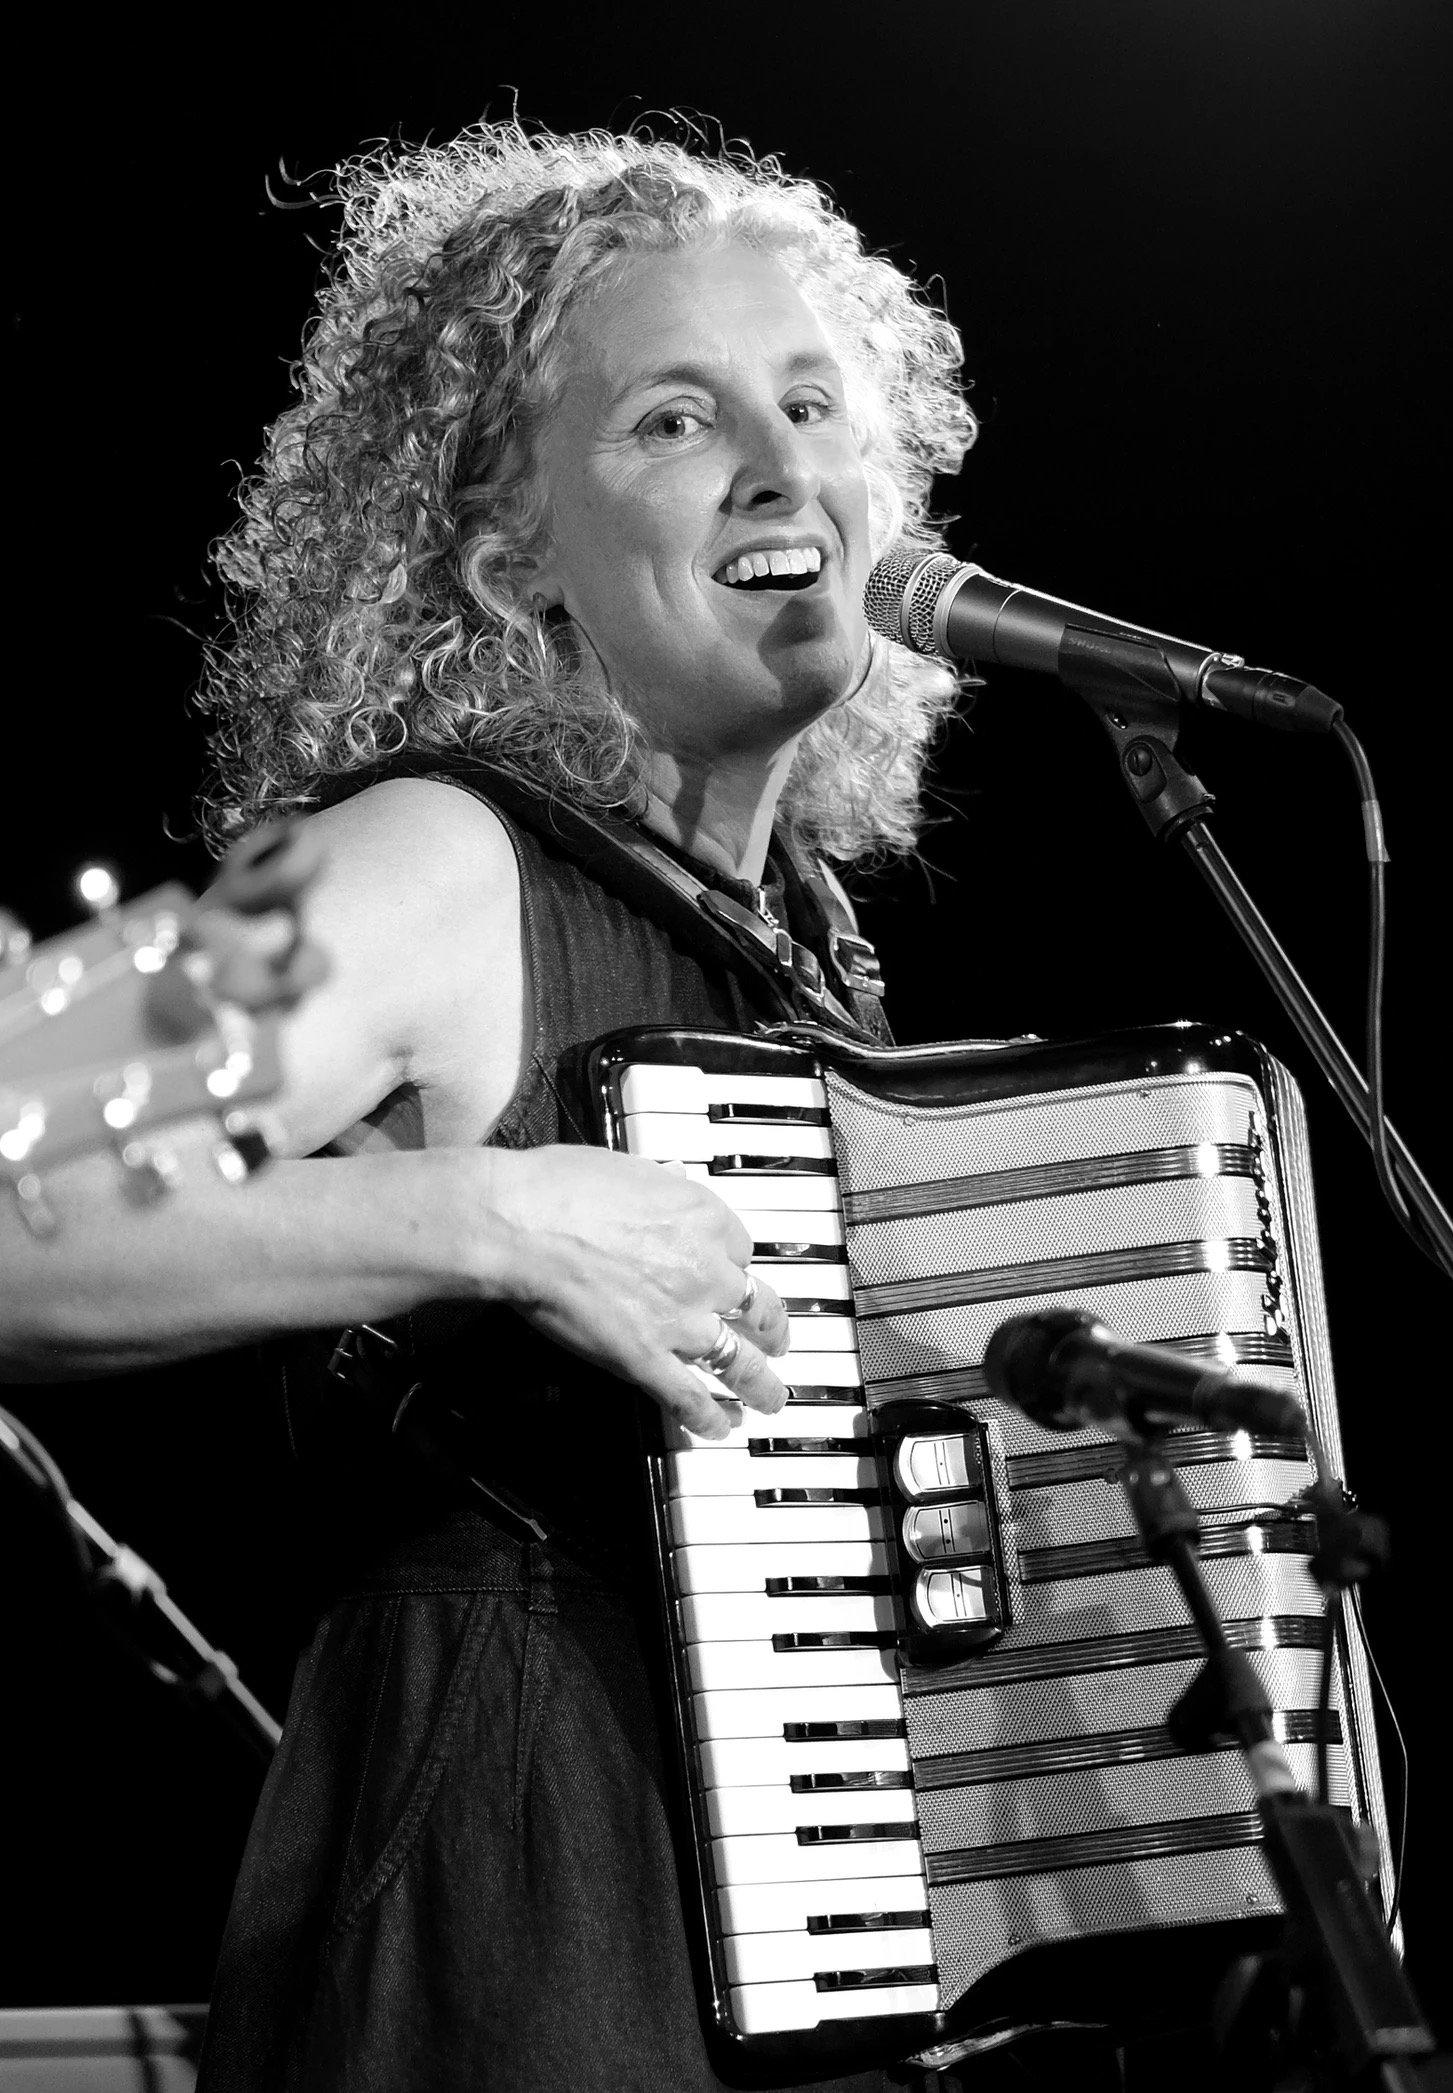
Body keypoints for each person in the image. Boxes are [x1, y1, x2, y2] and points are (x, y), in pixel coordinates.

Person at [1, 122, 975, 2089]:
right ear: (507, 559)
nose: (785, 463)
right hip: (519, 1899)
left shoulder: (805, 936)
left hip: (786, 1925)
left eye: (812, 402)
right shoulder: (433, 859)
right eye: (676, 422)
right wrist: (495, 1217)